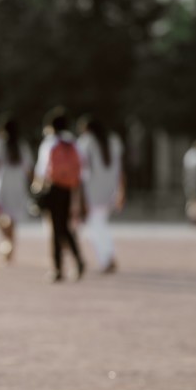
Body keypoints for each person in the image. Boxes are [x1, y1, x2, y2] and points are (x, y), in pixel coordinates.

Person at [34, 106, 85, 282]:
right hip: (69, 188)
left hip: (53, 187)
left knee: (55, 229)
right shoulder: (73, 142)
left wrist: (37, 189)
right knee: (64, 226)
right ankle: (78, 259)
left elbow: (42, 170)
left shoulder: (50, 142)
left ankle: (57, 268)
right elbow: (81, 169)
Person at [76, 116, 124, 274]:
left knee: (96, 226)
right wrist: (121, 191)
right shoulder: (114, 141)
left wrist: (79, 194)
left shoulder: (86, 142)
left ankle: (107, 258)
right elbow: (120, 170)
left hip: (92, 190)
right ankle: (106, 257)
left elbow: (81, 171)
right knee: (99, 224)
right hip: (110, 190)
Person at [0, 114, 33, 264]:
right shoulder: (22, 145)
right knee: (12, 220)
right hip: (18, 185)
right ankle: (9, 245)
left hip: (1, 185)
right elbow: (29, 168)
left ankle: (7, 244)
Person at [182, 139, 196, 224]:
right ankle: (194, 218)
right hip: (192, 183)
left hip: (190, 182)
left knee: (192, 200)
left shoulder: (190, 154)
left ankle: (194, 217)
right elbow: (194, 172)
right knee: (193, 200)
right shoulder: (194, 155)